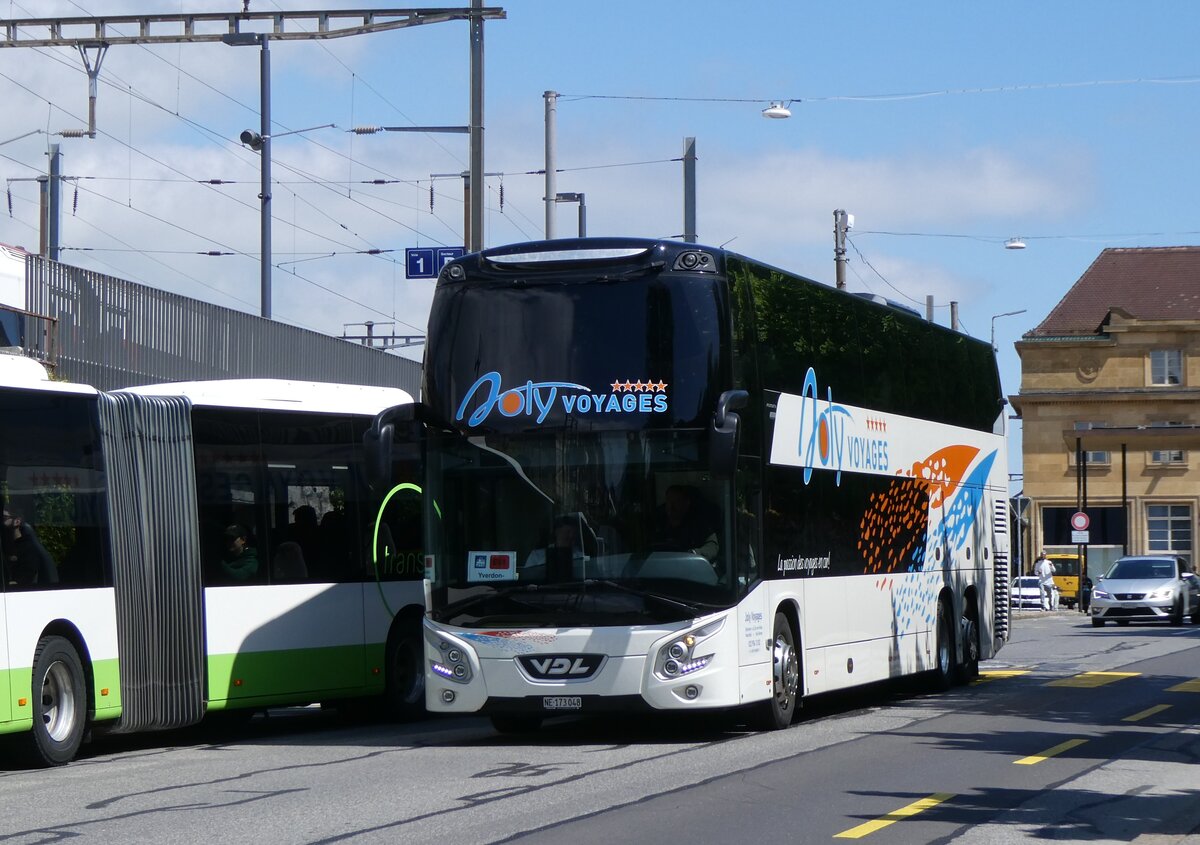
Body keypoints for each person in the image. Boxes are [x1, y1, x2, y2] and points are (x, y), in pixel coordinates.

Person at [655, 485, 719, 564]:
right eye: (668, 501)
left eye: (676, 502)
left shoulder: (699, 525)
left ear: (686, 503)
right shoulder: (657, 523)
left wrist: (694, 554)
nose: (671, 507)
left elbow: (712, 546)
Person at [2, 507, 57, 586]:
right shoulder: (5, 545)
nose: (1, 522)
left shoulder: (28, 549)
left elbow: (26, 577)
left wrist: (12, 583)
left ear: (17, 521)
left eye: (4, 518)